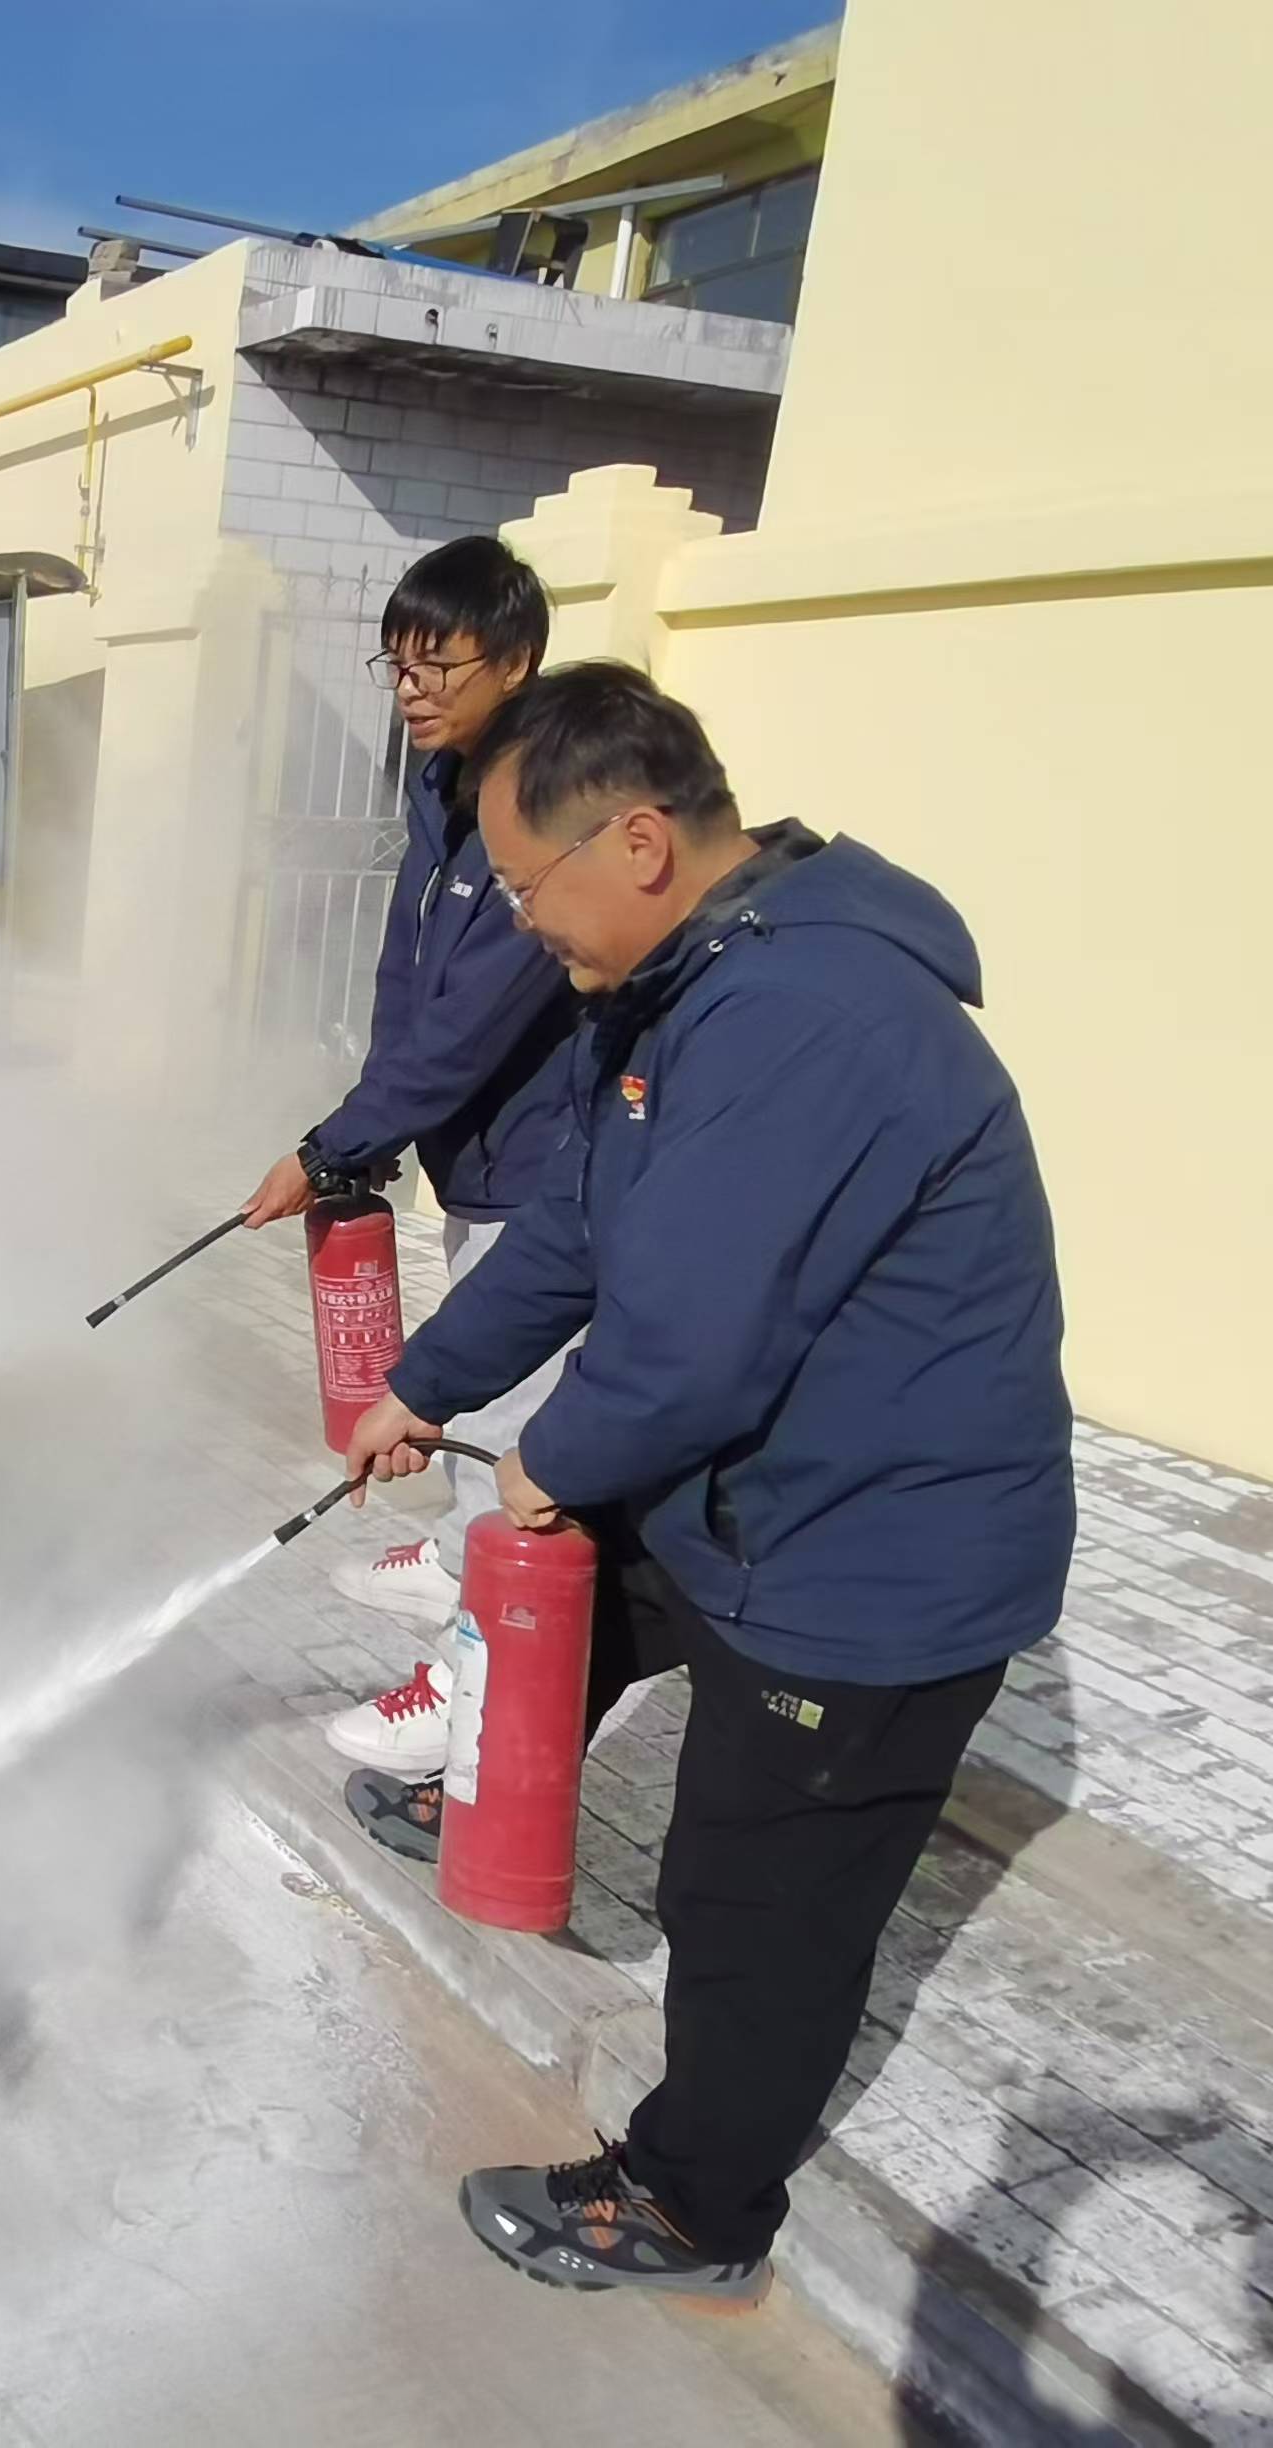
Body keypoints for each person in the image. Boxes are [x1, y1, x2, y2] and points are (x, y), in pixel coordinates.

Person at [339, 661, 1072, 2303]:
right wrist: (424, 1385)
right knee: (582, 1587)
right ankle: (491, 1788)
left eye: (526, 884)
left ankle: (694, 2205)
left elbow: (688, 1348)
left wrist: (544, 1460)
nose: (519, 919)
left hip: (872, 1561)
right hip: (763, 1491)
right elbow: (578, 1231)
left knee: (750, 1899)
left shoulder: (803, 1016)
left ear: (639, 842)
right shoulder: (683, 987)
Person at [232, 537, 578, 1789]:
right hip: (474, 1162)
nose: (412, 690)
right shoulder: (442, 786)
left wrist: (330, 1145)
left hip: (548, 1173)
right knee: (480, 1398)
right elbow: (408, 986)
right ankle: (455, 1568)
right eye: (397, 665)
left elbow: (476, 1020)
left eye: (440, 665)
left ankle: (471, 1692)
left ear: (517, 661)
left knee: (521, 1436)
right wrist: (370, 1140)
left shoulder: (542, 809)